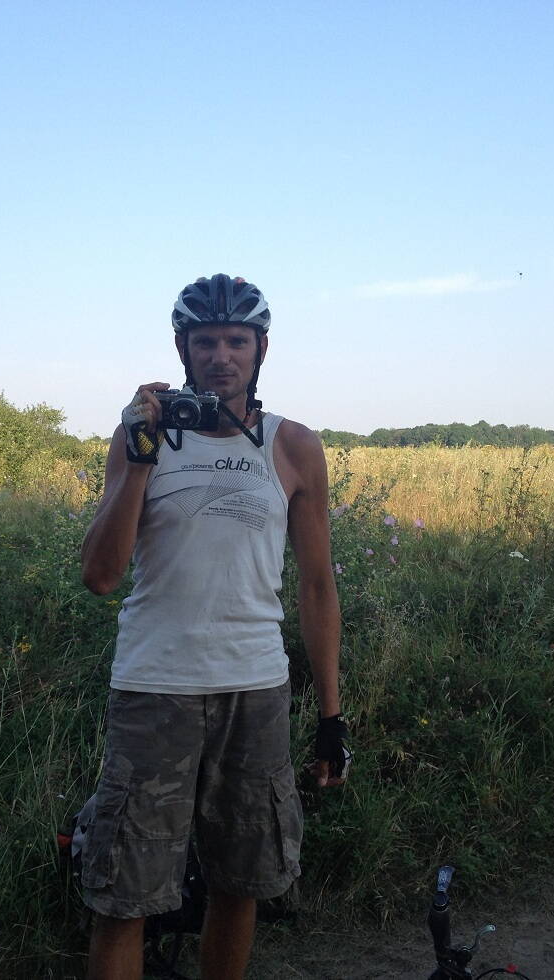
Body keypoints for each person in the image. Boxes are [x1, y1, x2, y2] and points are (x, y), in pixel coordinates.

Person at [78, 274, 348, 980]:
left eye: (236, 341)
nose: (221, 356)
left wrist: (331, 716)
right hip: (156, 689)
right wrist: (140, 457)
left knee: (240, 884)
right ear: (183, 350)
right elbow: (101, 574)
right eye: (205, 342)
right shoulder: (140, 438)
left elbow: (317, 586)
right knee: (124, 897)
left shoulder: (293, 446)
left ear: (261, 350)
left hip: (254, 690)